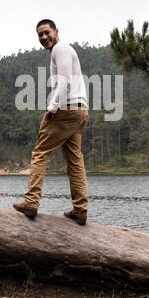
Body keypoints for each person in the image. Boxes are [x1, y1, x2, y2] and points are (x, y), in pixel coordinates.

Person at [13, 19, 89, 225]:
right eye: (40, 35)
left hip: (66, 109)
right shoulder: (63, 50)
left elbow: (64, 82)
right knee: (75, 160)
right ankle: (80, 210)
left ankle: (31, 202)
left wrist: (51, 109)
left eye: (47, 32)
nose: (44, 37)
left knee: (40, 153)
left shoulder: (61, 48)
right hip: (80, 110)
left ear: (56, 31)